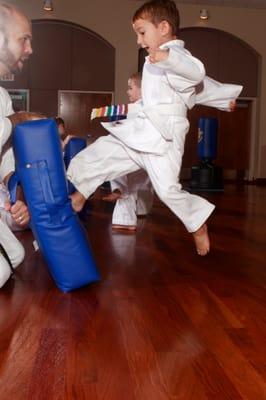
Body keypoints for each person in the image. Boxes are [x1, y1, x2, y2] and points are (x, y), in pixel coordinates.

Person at [67, 0, 242, 256]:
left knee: (168, 190)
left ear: (163, 27)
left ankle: (197, 224)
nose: (139, 41)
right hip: (141, 130)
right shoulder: (153, 61)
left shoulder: (177, 56)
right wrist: (223, 99)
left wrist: (170, 59)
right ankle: (80, 194)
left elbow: (197, 76)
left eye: (141, 32)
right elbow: (198, 88)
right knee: (102, 151)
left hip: (164, 139)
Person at [0, 2, 40, 286]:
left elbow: (3, 153)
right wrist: (20, 118)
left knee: (15, 256)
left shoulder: (2, 96)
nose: (29, 49)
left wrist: (13, 189)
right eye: (23, 39)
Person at [102, 72, 154, 231]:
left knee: (118, 168)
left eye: (130, 88)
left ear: (142, 89)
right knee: (136, 187)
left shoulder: (141, 108)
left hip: (145, 154)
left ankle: (121, 197)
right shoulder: (143, 108)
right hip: (148, 158)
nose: (127, 91)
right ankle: (130, 212)